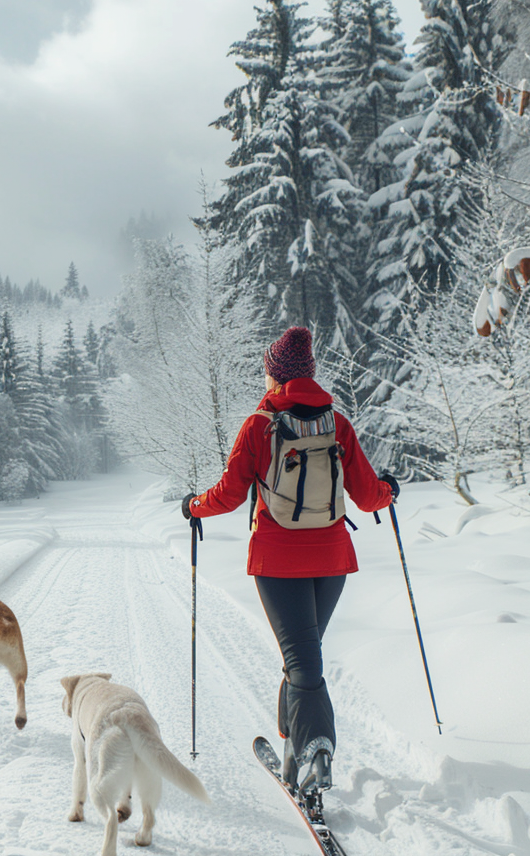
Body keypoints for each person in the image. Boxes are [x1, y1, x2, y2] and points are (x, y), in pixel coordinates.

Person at [181, 326, 396, 794]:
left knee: (302, 660)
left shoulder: (260, 424)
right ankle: (294, 754)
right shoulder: (337, 424)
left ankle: (317, 749)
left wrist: (192, 506)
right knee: (302, 654)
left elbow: (229, 494)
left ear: (274, 375)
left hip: (278, 562)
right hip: (333, 560)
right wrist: (390, 492)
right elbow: (366, 495)